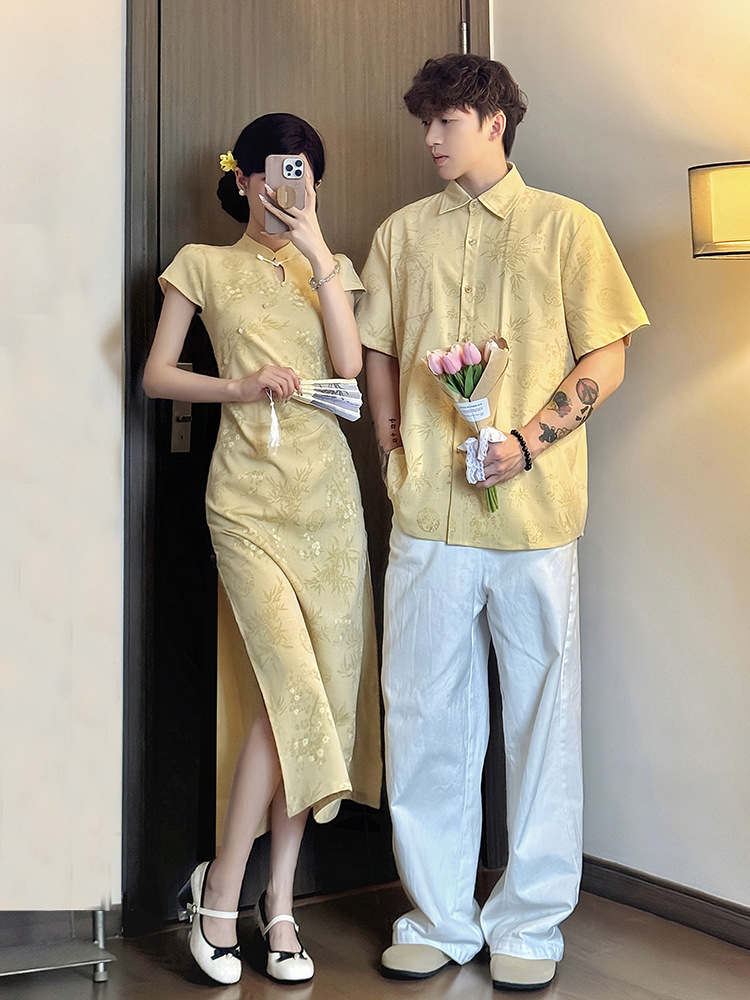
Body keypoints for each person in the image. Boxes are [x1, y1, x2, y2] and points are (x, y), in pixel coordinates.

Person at [357, 54, 648, 993]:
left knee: (541, 718)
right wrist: (395, 457)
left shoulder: (569, 226)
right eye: (425, 123)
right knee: (423, 714)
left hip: (536, 517)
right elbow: (377, 351)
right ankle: (438, 917)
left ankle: (529, 921)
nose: (430, 139)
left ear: (494, 122)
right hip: (429, 516)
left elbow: (608, 351)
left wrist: (528, 442)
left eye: (445, 121)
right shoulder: (401, 233)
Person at [143, 113, 381, 986]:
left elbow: (349, 366)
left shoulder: (332, 265)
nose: (291, 186)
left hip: (329, 507)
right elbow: (156, 376)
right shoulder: (201, 266)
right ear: (243, 178)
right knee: (291, 697)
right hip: (244, 503)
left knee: (319, 700)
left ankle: (278, 904)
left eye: (305, 173)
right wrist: (239, 387)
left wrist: (317, 249)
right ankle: (218, 895)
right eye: (279, 171)